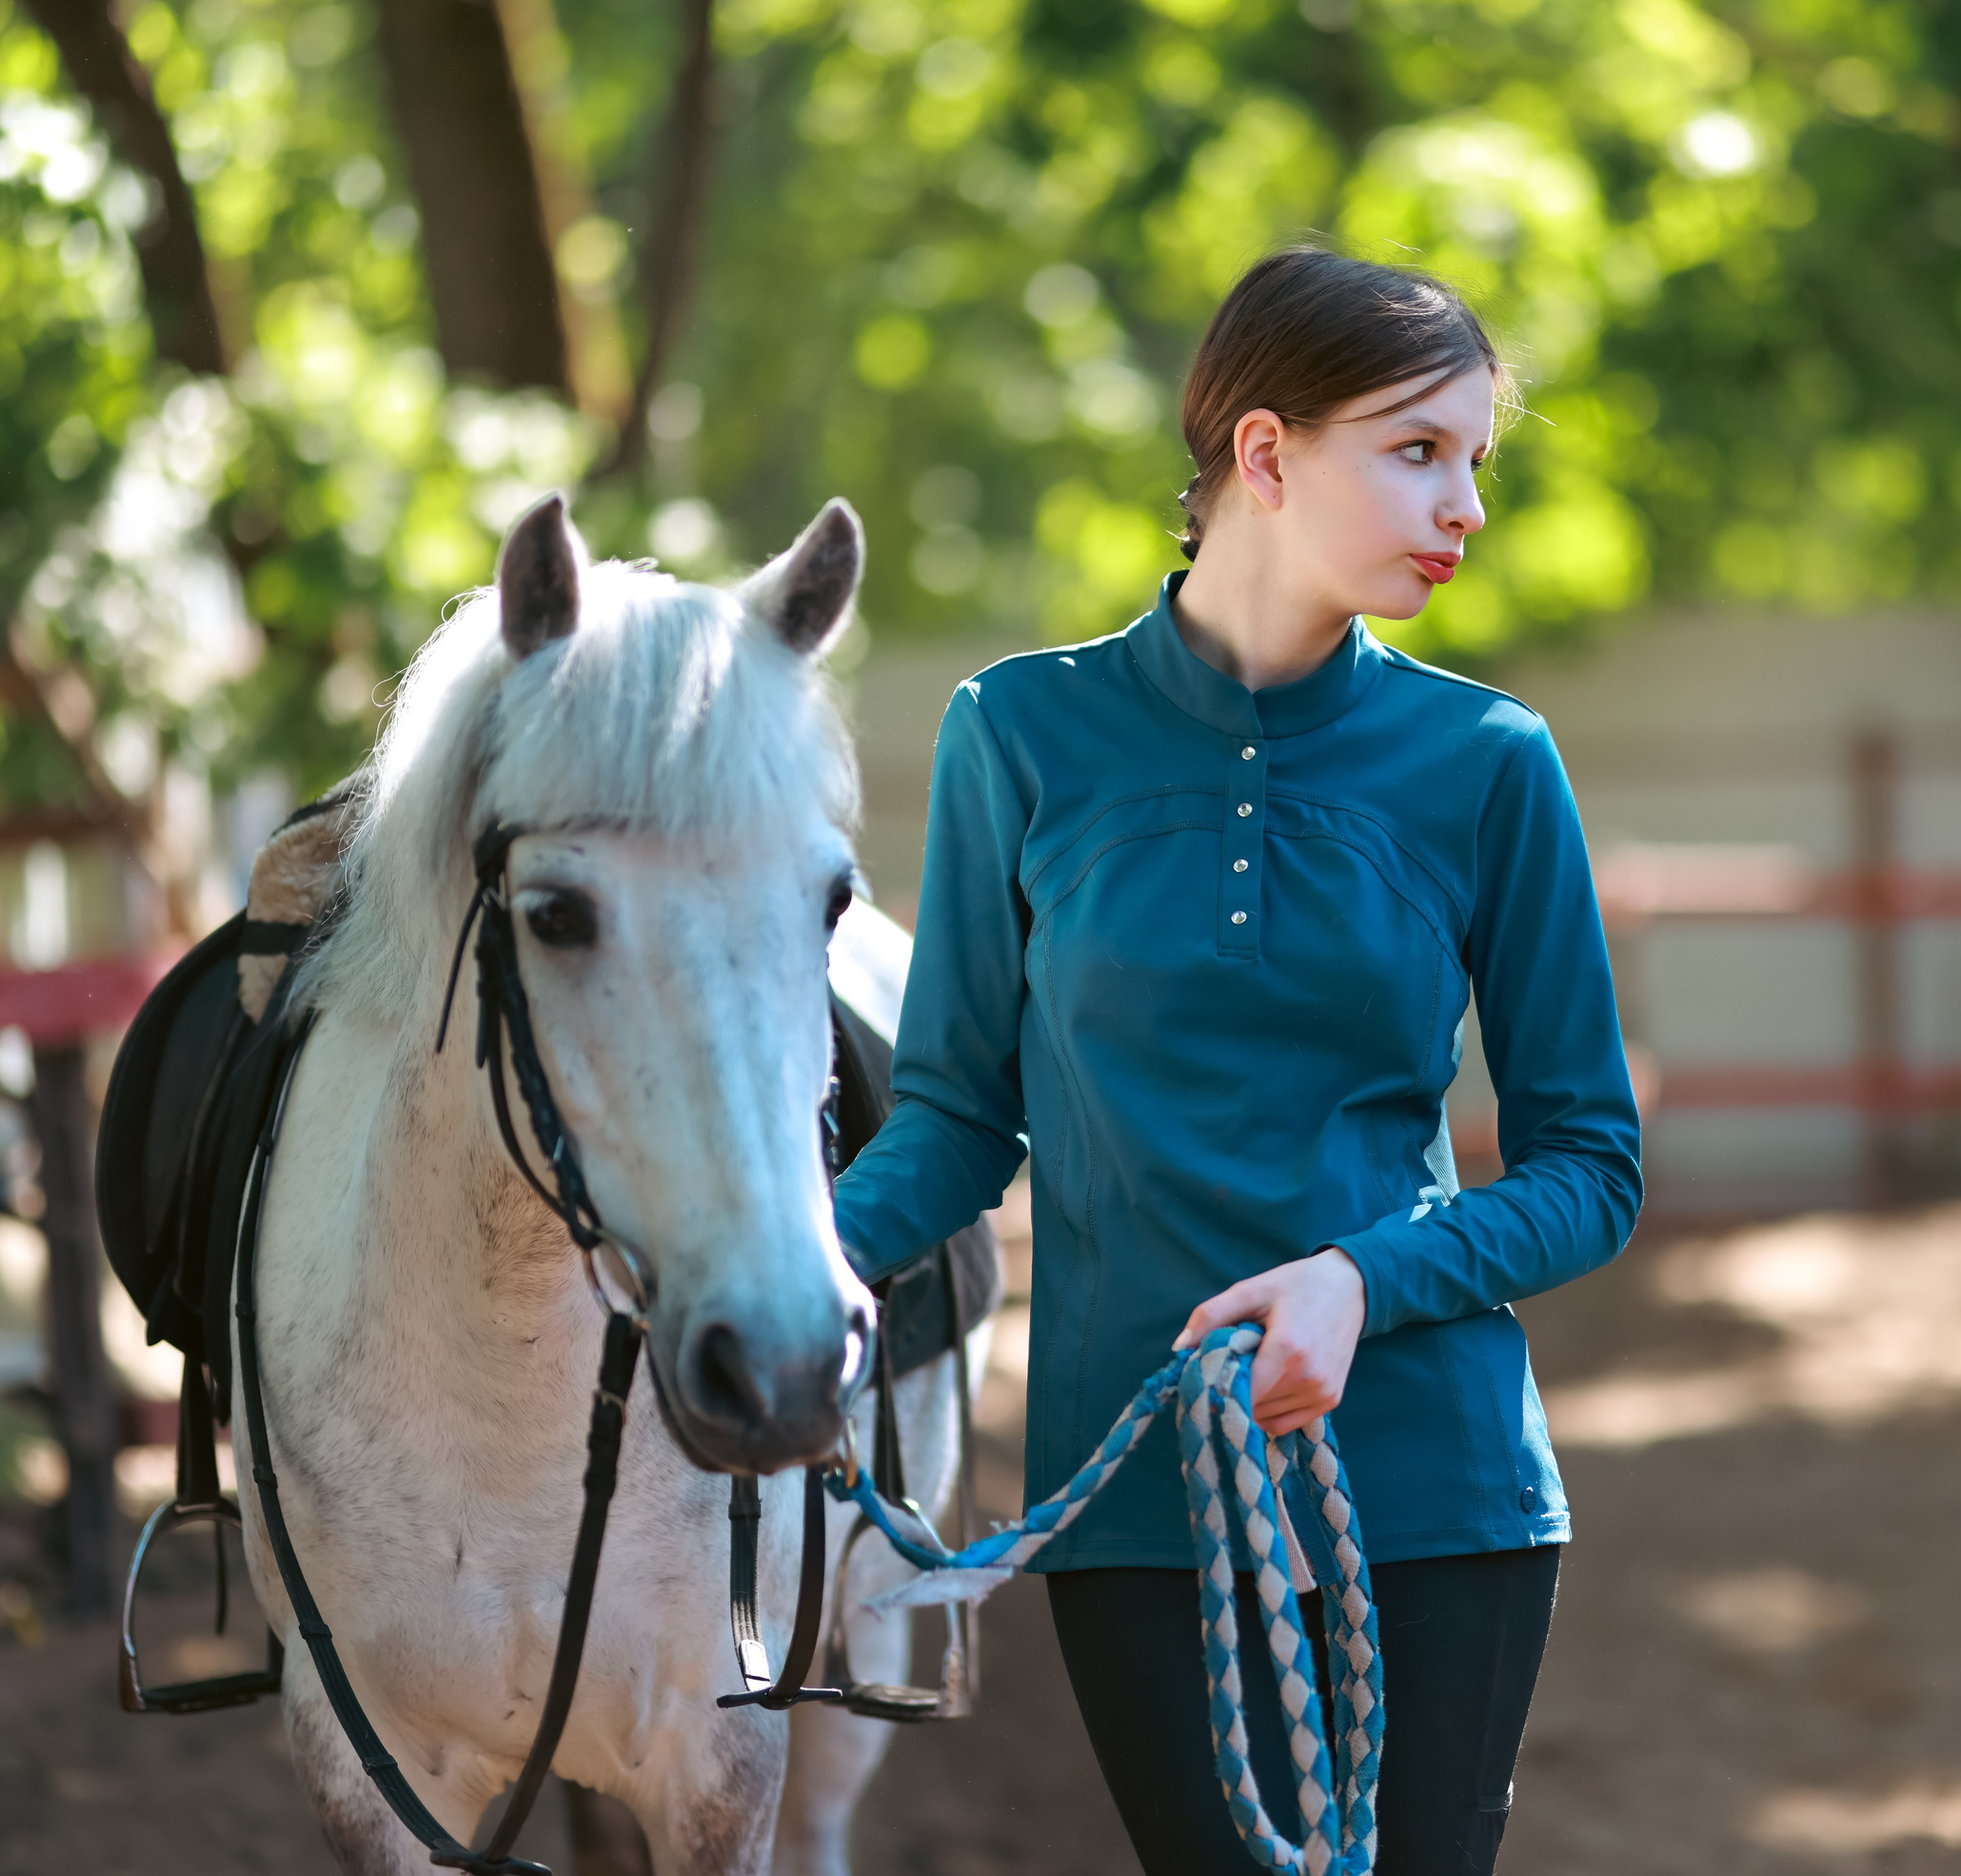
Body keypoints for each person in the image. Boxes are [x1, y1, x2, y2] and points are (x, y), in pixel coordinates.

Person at [831, 247, 1642, 1876]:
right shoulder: (1018, 735)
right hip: (1136, 1499)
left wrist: (1358, 1281)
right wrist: (801, 1267)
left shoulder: (1489, 762)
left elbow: (1591, 1169)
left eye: (1476, 460)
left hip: (1437, 1492)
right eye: (1420, 451)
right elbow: (957, 1121)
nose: (1467, 505)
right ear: (1265, 455)